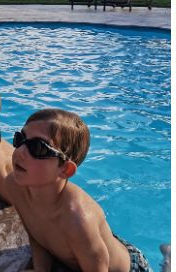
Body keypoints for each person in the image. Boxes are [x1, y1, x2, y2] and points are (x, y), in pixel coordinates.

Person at [8, 108, 150, 272]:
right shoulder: (14, 186)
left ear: (65, 170)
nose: (19, 151)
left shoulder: (78, 220)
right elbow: (36, 234)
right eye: (20, 139)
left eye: (38, 148)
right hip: (86, 250)